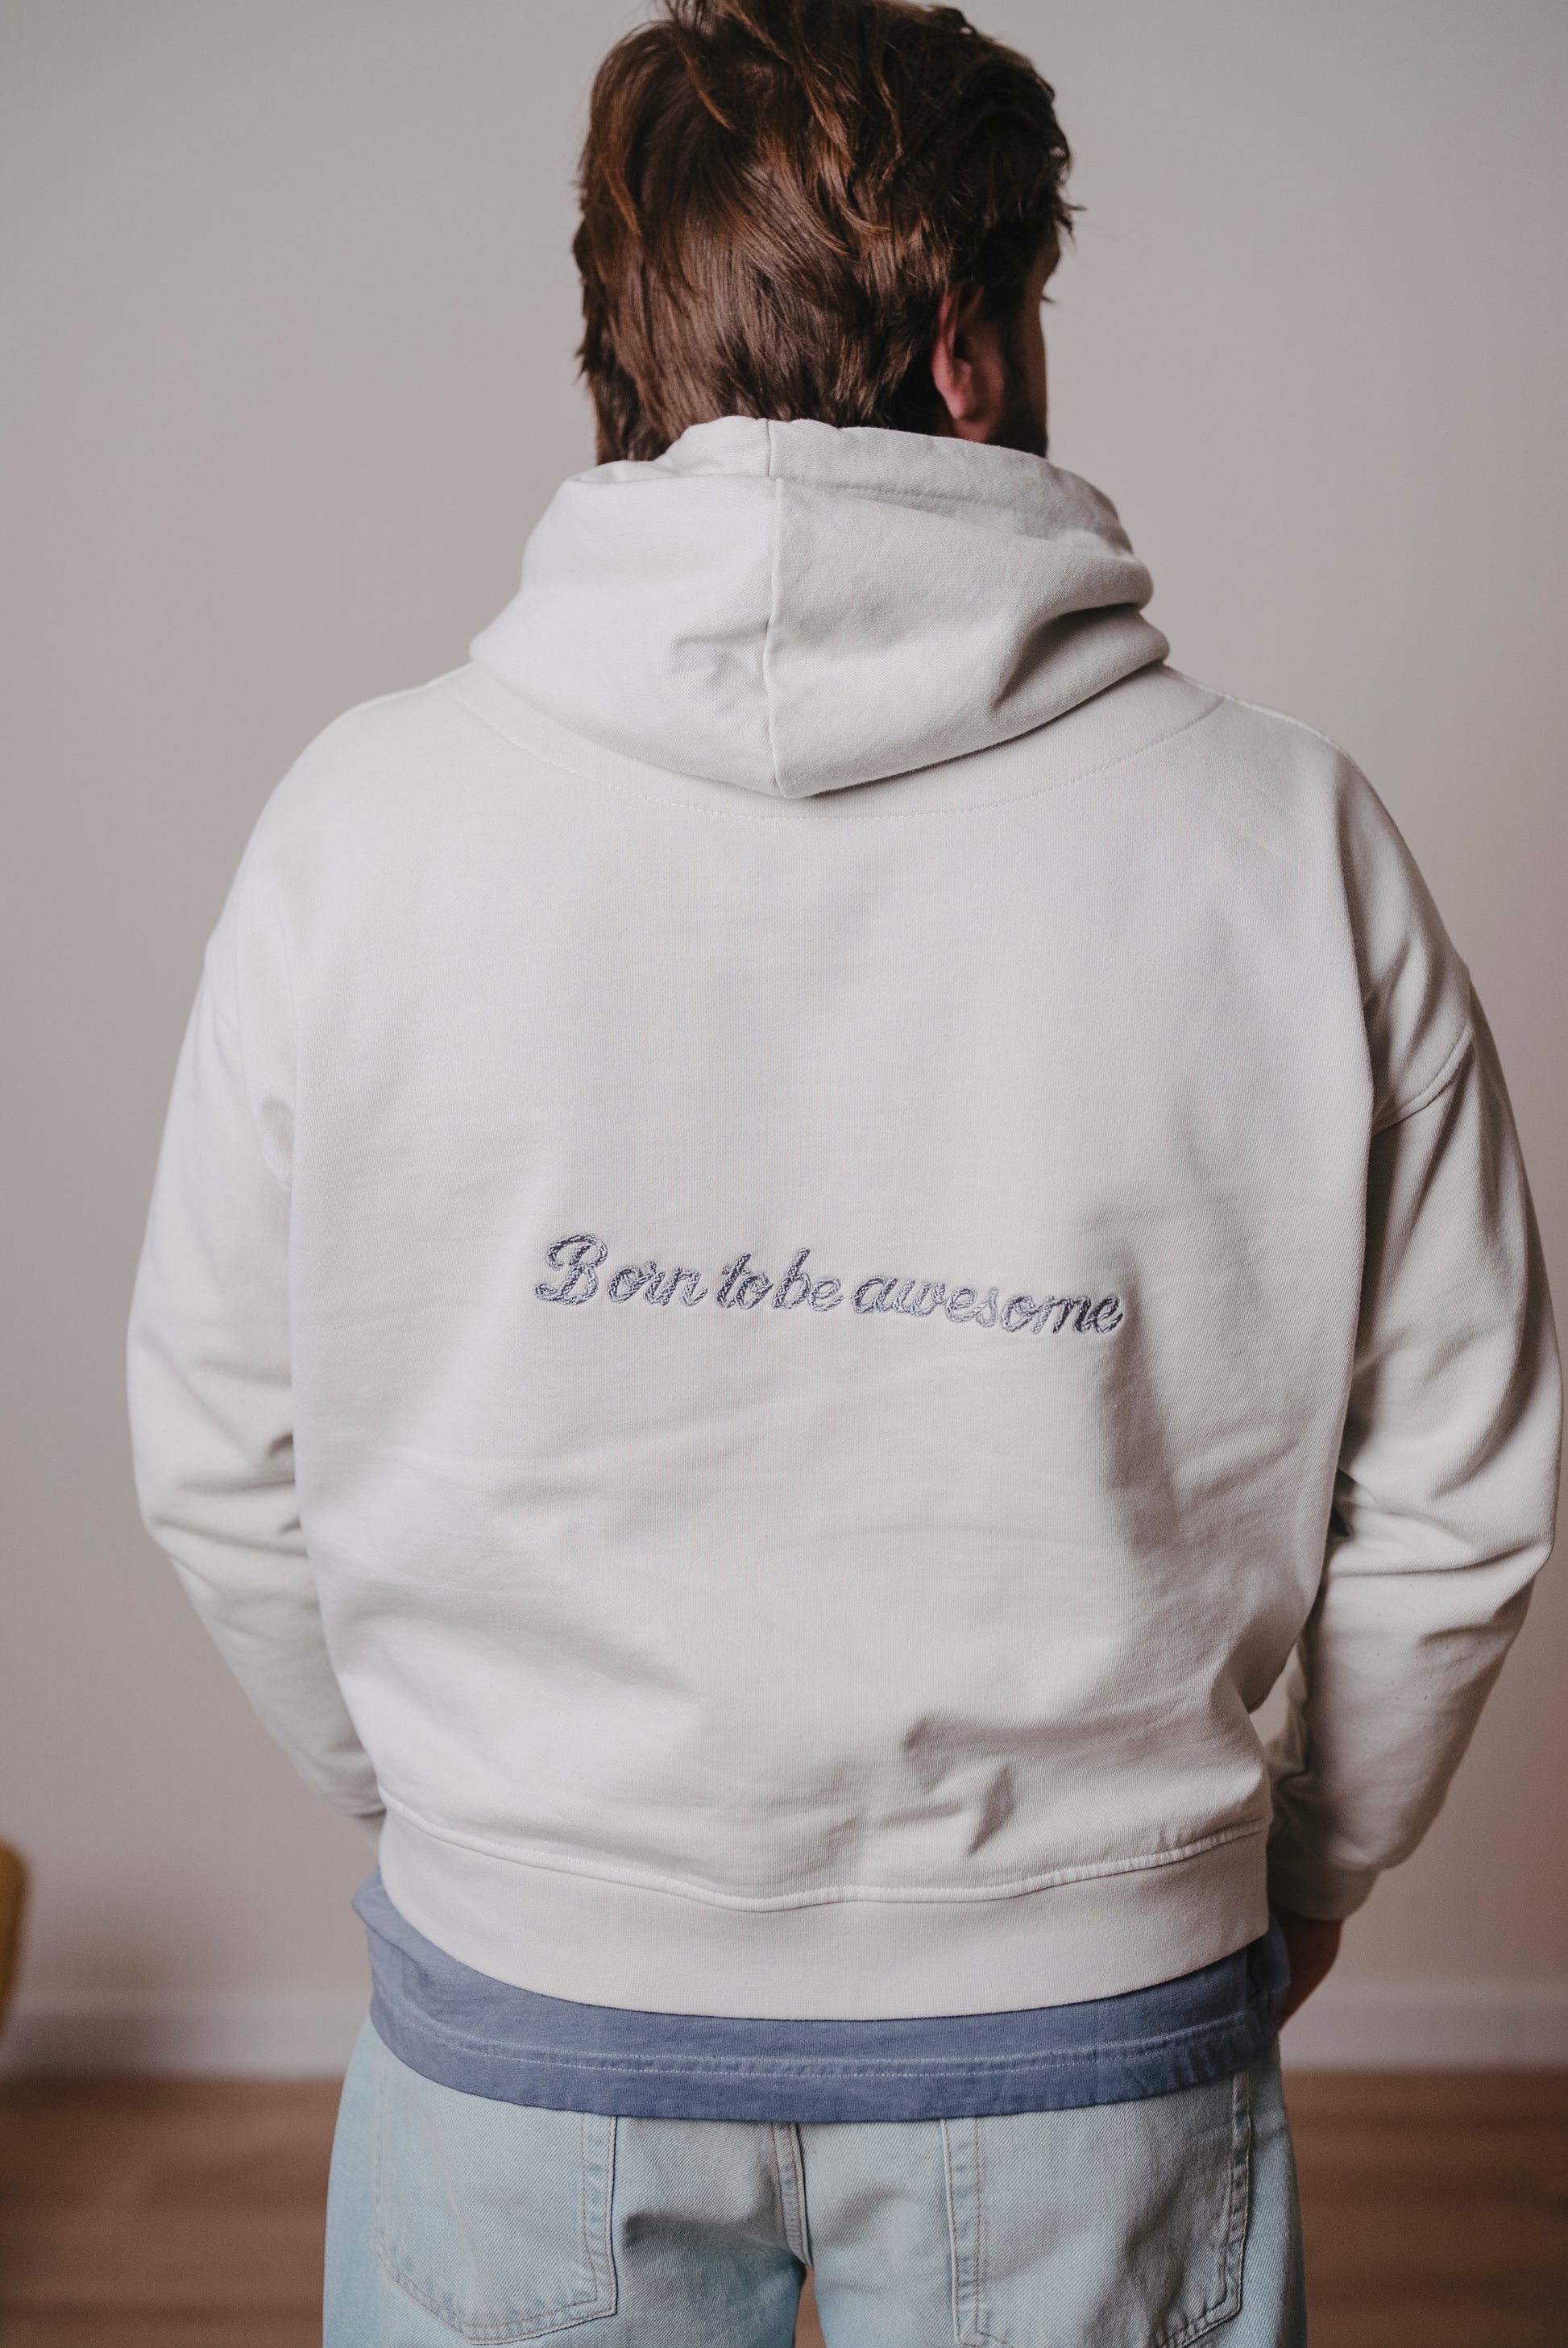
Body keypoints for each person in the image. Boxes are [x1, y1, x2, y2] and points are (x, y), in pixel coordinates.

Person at [127, 3, 1559, 2342]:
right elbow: (1459, 1475)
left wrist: (486, 1821)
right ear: (974, 346)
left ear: (624, 341)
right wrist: (1297, 1871)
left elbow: (220, 1444)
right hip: (1091, 2018)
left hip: (526, 2017)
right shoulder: (1284, 839)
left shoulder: (358, 830)